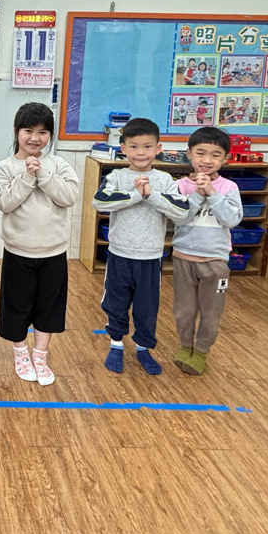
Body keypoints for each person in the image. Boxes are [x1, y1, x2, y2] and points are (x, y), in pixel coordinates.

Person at [92, 117, 189, 375]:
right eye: (134, 146)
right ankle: (116, 345)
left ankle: (143, 348)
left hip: (150, 257)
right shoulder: (117, 177)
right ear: (123, 148)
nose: (141, 152)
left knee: (147, 308)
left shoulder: (165, 180)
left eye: (147, 146)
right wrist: (137, 195)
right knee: (116, 303)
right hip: (119, 254)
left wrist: (151, 195)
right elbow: (99, 202)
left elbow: (181, 212)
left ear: (158, 148)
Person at [0, 103, 79, 386]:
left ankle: (40, 356)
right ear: (16, 131)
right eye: (28, 130)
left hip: (54, 251)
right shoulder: (4, 167)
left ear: (50, 135)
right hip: (18, 251)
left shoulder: (59, 165)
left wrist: (42, 174)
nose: (34, 138)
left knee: (48, 307)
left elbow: (68, 197)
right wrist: (28, 176)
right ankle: (21, 354)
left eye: (43, 132)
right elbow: (5, 202)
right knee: (16, 306)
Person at [172, 128, 242, 375]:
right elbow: (178, 218)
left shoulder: (229, 187)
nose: (207, 160)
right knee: (184, 310)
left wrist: (212, 194)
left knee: (211, 311)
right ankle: (185, 346)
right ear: (189, 153)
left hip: (215, 260)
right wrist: (196, 196)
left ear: (225, 159)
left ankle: (201, 351)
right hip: (183, 257)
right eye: (200, 153)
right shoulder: (180, 186)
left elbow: (232, 219)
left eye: (215, 154)